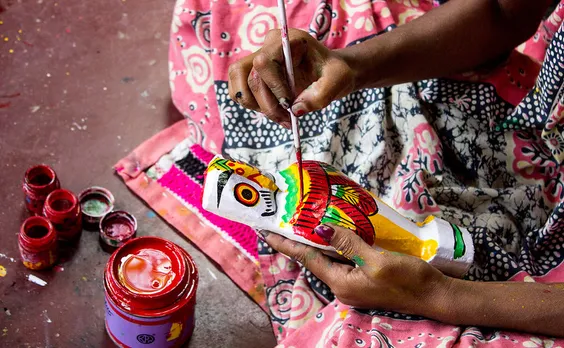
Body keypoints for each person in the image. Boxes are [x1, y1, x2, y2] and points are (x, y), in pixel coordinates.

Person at [168, 0, 564, 344]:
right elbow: (500, 11)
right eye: (247, 188)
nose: (257, 180)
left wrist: (441, 297)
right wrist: (349, 66)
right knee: (228, 23)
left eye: (247, 190)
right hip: (530, 121)